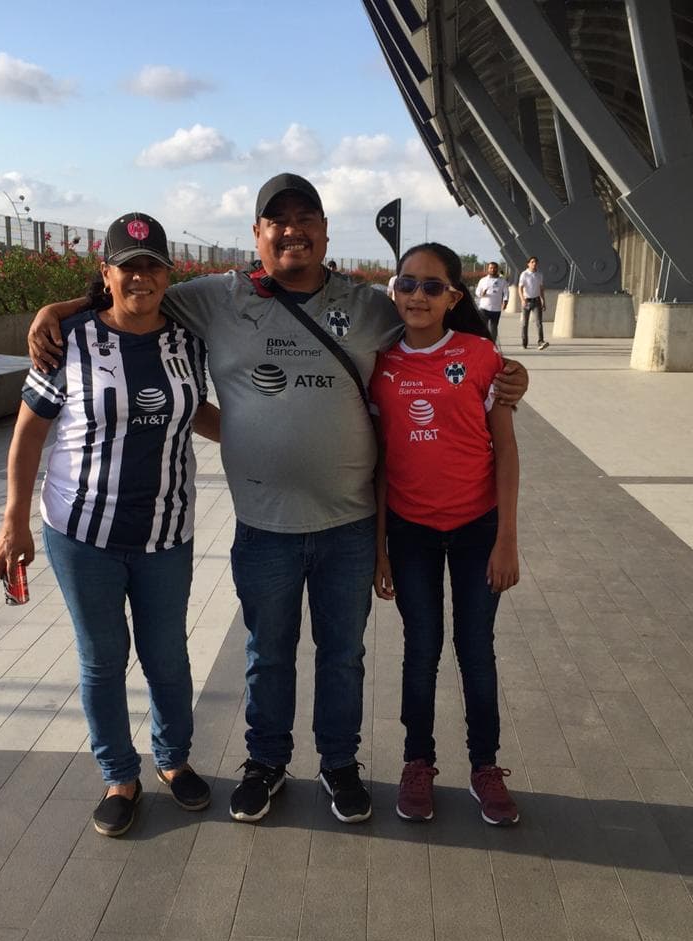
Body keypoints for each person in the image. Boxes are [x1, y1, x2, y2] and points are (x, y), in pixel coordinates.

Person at [27, 173, 530, 826]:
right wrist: (59, 310)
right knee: (267, 655)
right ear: (257, 235)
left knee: (343, 656)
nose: (292, 229)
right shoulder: (215, 298)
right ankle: (265, 763)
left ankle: (339, 766)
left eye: (305, 218)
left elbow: (434, 327)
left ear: (325, 233)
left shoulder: (370, 305)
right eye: (277, 220)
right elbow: (133, 295)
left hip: (349, 525)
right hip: (263, 527)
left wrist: (507, 369)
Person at [0, 212, 219, 838]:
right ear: (107, 274)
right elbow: (27, 433)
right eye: (129, 266)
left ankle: (173, 761)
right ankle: (119, 775)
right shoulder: (68, 340)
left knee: (167, 656)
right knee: (102, 658)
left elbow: (194, 409)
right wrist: (13, 520)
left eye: (152, 266)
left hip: (165, 532)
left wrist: (266, 443)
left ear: (168, 273)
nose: (141, 278)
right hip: (81, 533)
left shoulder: (187, 340)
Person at [371, 242, 521, 826]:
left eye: (432, 287)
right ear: (394, 290)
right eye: (407, 284)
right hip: (410, 531)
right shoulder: (381, 364)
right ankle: (417, 763)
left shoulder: (482, 356)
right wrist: (381, 543)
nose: (417, 296)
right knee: (421, 649)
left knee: (475, 649)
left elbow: (505, 451)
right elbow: (381, 462)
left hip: (476, 528)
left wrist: (507, 537)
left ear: (455, 297)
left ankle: (485, 766)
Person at [474, 261, 507, 343]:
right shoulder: (483, 280)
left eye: (494, 268)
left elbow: (506, 292)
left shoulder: (502, 281)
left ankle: (492, 345)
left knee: (493, 330)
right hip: (484, 308)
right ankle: (481, 344)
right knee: (482, 328)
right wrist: (482, 293)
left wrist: (505, 302)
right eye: (491, 268)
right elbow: (477, 292)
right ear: (488, 269)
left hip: (496, 309)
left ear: (497, 269)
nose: (492, 269)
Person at [519, 255, 547, 350]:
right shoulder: (524, 274)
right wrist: (522, 299)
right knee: (524, 324)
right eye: (532, 262)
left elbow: (541, 289)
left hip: (536, 301)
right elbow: (520, 288)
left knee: (539, 323)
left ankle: (541, 342)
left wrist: (543, 301)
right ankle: (524, 342)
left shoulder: (539, 274)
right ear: (528, 264)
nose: (534, 264)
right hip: (527, 301)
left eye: (535, 262)